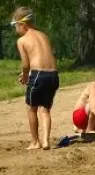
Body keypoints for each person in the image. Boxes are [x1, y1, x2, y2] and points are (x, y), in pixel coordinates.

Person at [12, 6, 59, 150]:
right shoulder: (44, 35)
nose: (15, 29)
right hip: (53, 75)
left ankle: (35, 142)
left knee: (31, 108)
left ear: (22, 24)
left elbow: (26, 64)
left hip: (38, 75)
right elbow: (45, 57)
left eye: (14, 25)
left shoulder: (22, 40)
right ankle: (46, 140)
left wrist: (25, 76)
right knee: (45, 109)